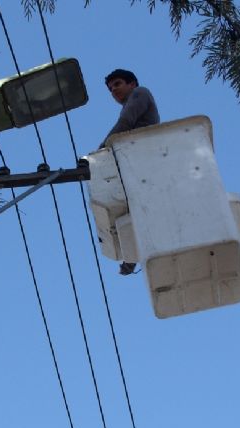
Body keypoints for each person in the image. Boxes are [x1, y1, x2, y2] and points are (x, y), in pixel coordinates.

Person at [100, 69, 160, 275]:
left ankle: (133, 255)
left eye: (117, 84)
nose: (113, 90)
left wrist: (100, 151)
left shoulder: (140, 93)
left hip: (144, 157)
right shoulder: (130, 101)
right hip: (136, 162)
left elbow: (125, 123)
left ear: (132, 83)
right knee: (133, 209)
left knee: (135, 205)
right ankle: (132, 254)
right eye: (110, 89)